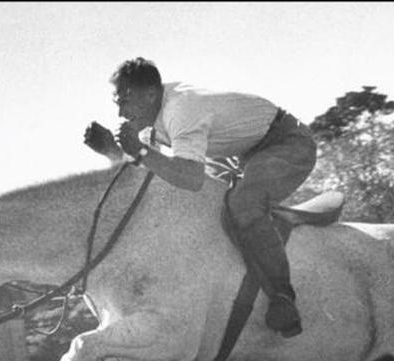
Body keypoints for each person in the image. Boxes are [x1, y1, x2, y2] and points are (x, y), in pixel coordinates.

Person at [83, 57, 316, 338]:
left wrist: (140, 151)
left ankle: (282, 296)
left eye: (125, 101)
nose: (121, 112)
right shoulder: (148, 117)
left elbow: (190, 178)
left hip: (286, 142)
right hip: (238, 154)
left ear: (151, 94)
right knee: (194, 207)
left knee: (243, 205)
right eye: (117, 103)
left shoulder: (181, 110)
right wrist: (113, 151)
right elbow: (151, 176)